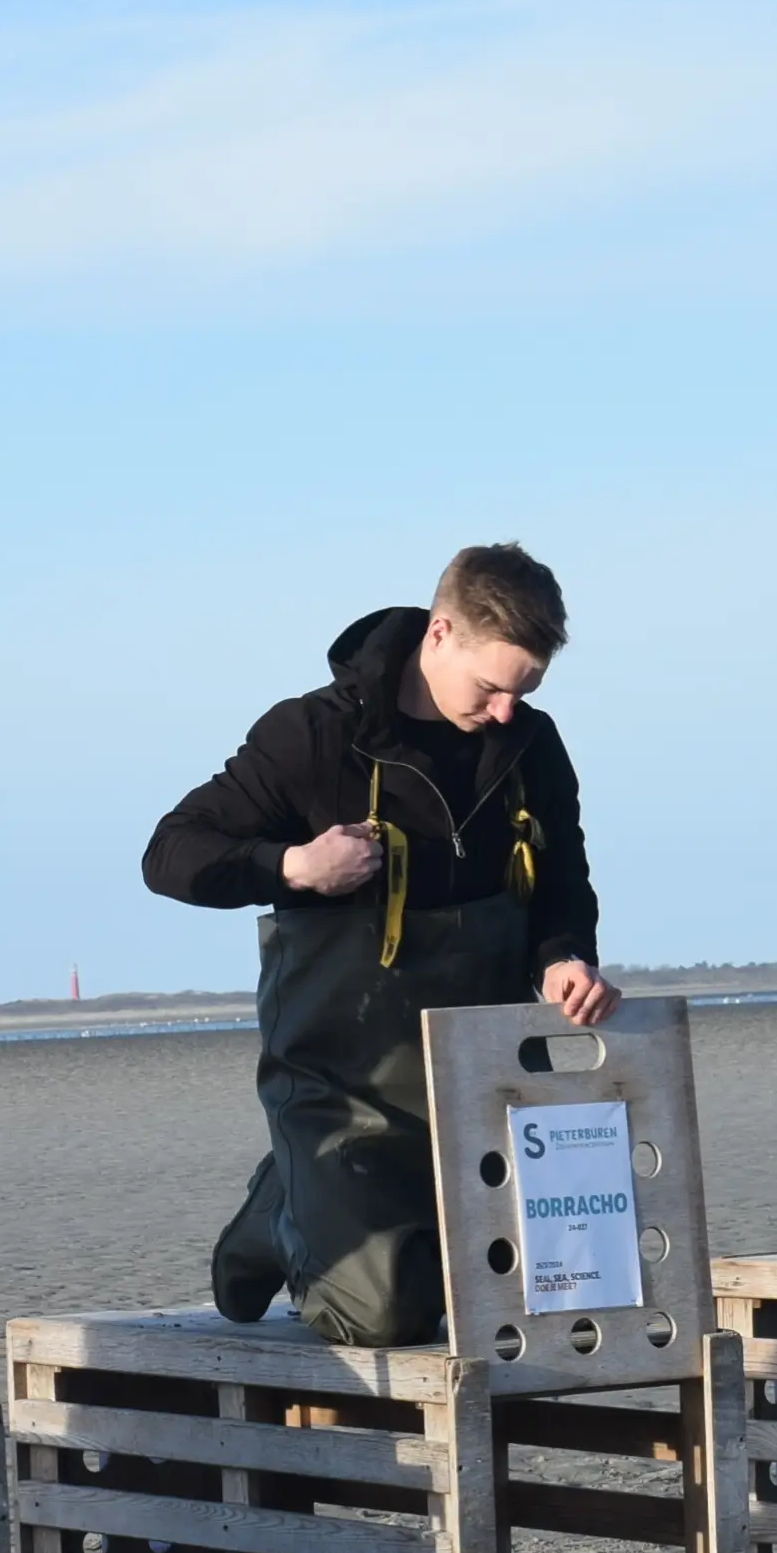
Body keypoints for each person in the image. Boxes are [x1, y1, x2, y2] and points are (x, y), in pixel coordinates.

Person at [146, 543, 616, 1346]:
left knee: (544, 1301)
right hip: (341, 1086)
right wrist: (292, 865)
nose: (507, 710)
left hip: (483, 1081)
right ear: (440, 635)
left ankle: (289, 1200)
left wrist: (564, 957)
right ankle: (288, 1204)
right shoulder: (313, 735)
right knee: (387, 1316)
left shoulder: (533, 748)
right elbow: (170, 854)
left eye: (525, 690)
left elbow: (564, 882)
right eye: (493, 687)